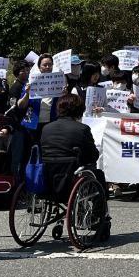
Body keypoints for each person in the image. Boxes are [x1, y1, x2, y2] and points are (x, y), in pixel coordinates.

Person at [39, 93, 110, 240]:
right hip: (70, 179)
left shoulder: (46, 128)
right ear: (79, 109)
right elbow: (92, 156)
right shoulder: (82, 129)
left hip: (47, 179)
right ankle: (98, 217)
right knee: (99, 175)